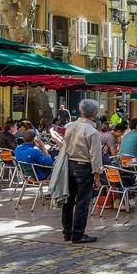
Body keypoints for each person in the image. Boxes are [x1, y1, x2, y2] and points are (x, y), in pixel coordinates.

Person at [49, 98, 104, 243]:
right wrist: (97, 174)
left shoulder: (71, 126)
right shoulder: (92, 131)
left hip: (70, 164)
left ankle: (67, 232)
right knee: (82, 202)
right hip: (84, 167)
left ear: (80, 111)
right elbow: (95, 155)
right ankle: (78, 234)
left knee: (69, 199)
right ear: (95, 113)